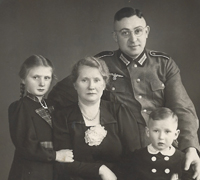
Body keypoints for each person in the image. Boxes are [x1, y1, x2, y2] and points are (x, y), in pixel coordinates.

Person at [48, 7, 200, 179]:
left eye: (138, 31)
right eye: (125, 33)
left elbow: (182, 108)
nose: (133, 39)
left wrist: (191, 148)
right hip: (127, 156)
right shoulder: (102, 63)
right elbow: (59, 94)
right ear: (115, 36)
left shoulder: (164, 64)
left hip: (164, 149)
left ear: (147, 31)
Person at [53, 57, 140, 180]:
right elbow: (64, 163)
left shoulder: (119, 112)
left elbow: (134, 157)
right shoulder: (62, 117)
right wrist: (100, 170)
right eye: (84, 80)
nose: (91, 86)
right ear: (75, 85)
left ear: (104, 84)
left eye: (97, 80)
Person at [8, 55, 74, 180]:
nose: (42, 83)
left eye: (47, 78)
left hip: (52, 172)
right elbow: (26, 146)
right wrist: (56, 156)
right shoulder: (20, 107)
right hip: (30, 172)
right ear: (23, 79)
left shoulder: (52, 105)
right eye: (35, 77)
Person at [129, 107, 193, 180]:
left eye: (167, 131)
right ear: (148, 132)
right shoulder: (137, 156)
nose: (161, 137)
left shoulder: (182, 159)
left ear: (176, 134)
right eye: (156, 131)